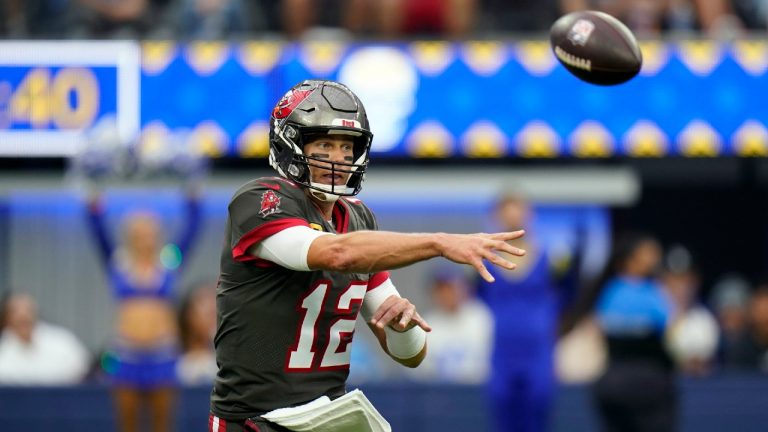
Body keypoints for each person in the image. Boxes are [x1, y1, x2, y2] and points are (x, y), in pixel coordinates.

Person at [209, 79, 526, 432]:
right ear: (290, 144)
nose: (339, 158)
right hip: (254, 420)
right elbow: (336, 253)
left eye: (347, 147)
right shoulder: (262, 200)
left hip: (326, 420)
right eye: (325, 144)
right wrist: (438, 243)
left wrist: (401, 326)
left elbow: (410, 355)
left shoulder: (357, 218)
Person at [86, 188, 201, 432]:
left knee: (162, 424)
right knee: (127, 424)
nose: (145, 238)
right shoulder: (119, 262)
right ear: (129, 235)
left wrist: (193, 203)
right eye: (139, 233)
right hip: (126, 353)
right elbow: (99, 236)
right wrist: (94, 206)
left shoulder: (168, 261)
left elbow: (190, 234)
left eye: (149, 232)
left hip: (162, 352)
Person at [476, 193, 583, 432]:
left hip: (538, 351)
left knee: (538, 414)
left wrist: (557, 329)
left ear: (530, 214)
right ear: (496, 216)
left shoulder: (553, 258)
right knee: (503, 416)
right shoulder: (483, 259)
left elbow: (570, 296)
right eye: (507, 211)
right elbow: (478, 297)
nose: (513, 217)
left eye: (519, 210)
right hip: (501, 352)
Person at [591, 234, 677, 432]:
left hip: (613, 384)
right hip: (648, 383)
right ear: (630, 259)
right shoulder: (652, 293)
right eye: (648, 254)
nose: (654, 259)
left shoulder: (609, 291)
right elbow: (670, 329)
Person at [412, 265, 494, 384]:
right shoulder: (425, 324)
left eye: (451, 287)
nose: (447, 293)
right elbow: (419, 374)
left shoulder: (482, 317)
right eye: (441, 289)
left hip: (477, 392)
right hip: (440, 394)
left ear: (465, 287)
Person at [0, 292, 90, 385]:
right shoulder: (2, 350)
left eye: (28, 310)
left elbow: (85, 374)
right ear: (6, 318)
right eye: (15, 312)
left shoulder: (63, 342)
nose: (23, 315)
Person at [177, 280, 218, 386]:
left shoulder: (229, 362)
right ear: (188, 315)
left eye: (214, 300)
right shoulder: (174, 364)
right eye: (203, 301)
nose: (212, 307)